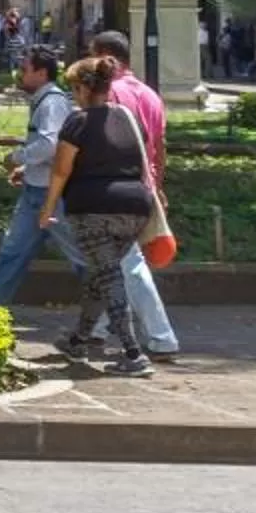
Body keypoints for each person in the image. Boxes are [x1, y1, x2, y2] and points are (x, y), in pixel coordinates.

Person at [40, 56, 157, 376]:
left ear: (82, 88)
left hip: (92, 209)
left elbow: (61, 170)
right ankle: (78, 339)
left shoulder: (77, 122)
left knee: (109, 277)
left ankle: (133, 353)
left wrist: (48, 209)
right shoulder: (128, 118)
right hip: (135, 207)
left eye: (73, 89)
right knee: (101, 274)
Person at [88, 29, 184, 358]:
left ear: (105, 57)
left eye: (92, 55)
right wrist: (158, 186)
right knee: (112, 260)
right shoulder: (151, 95)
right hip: (144, 187)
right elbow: (160, 146)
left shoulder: (109, 93)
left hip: (117, 186)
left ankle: (161, 336)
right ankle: (93, 329)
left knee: (128, 263)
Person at [0, 46, 79, 309]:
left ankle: (114, 305)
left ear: (41, 73)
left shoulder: (52, 103)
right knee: (13, 252)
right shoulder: (44, 101)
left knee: (81, 256)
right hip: (35, 190)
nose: (20, 74)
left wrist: (17, 158)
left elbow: (49, 145)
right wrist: (27, 169)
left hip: (53, 195)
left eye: (25, 69)